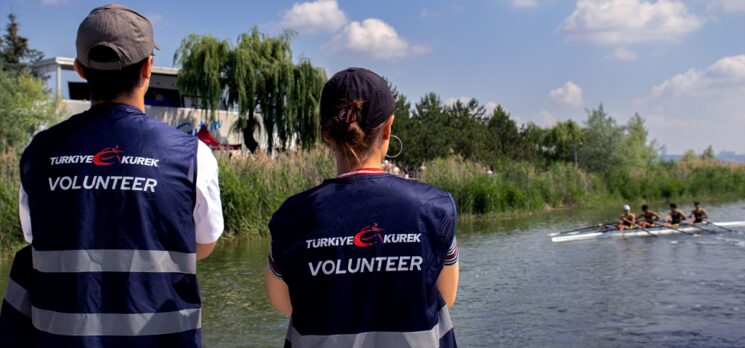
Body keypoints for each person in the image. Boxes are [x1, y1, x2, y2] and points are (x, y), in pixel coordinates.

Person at [1, 4, 223, 347]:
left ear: (79, 70)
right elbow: (204, 245)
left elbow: (38, 240)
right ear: (148, 68)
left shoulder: (38, 152)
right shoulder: (192, 155)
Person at [265, 68, 459, 347]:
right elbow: (446, 297)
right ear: (389, 127)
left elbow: (283, 303)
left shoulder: (292, 217)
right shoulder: (435, 208)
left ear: (325, 133)